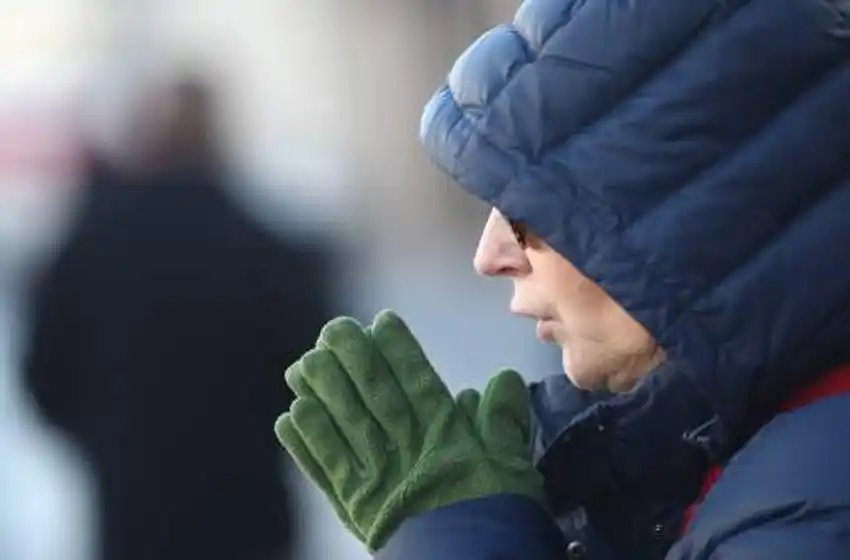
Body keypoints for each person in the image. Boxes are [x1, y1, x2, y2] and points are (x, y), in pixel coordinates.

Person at [274, 1, 850, 559]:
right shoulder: (747, 455)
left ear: (691, 219)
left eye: (527, 214)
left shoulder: (812, 502)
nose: (490, 255)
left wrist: (458, 533)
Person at [24, 77, 333, 560]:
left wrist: (107, 441)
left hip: (132, 510)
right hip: (249, 511)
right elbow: (317, 381)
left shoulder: (87, 249)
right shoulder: (270, 250)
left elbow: (45, 377)